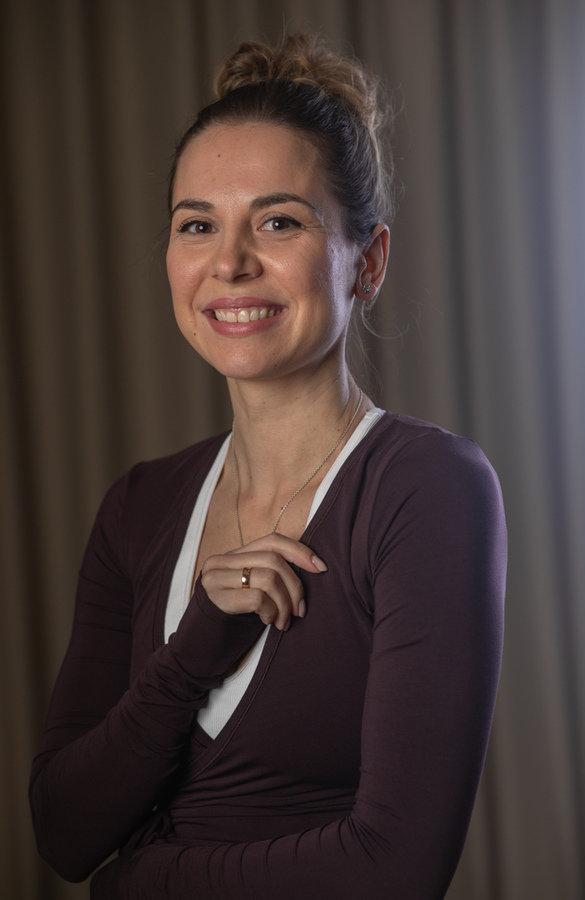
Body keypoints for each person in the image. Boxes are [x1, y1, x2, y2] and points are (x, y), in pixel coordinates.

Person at [29, 34, 507, 899]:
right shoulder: (139, 505)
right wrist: (193, 651)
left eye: (279, 221)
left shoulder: (427, 489)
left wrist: (141, 880)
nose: (229, 262)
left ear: (367, 262)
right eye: (197, 225)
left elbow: (397, 869)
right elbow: (63, 831)